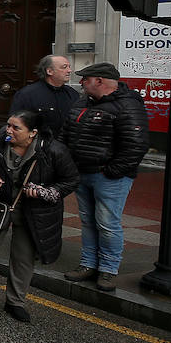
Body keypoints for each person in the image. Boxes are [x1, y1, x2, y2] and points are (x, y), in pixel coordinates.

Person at [0, 110, 79, 321]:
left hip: (34, 212)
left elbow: (69, 180)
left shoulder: (53, 150)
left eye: (16, 128)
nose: (9, 131)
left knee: (23, 257)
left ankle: (15, 302)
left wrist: (45, 191)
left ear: (33, 133)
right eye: (8, 125)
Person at [59, 63, 150, 291]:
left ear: (99, 81)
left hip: (109, 177)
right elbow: (66, 133)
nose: (81, 82)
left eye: (85, 79)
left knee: (107, 223)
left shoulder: (128, 105)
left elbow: (136, 145)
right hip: (82, 172)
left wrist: (111, 171)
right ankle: (88, 264)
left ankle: (108, 270)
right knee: (88, 221)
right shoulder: (82, 103)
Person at [10, 55, 79, 141]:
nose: (69, 70)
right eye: (64, 67)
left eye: (69, 67)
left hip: (67, 146)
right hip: (40, 147)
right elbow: (16, 123)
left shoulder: (73, 94)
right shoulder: (27, 94)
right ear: (49, 71)